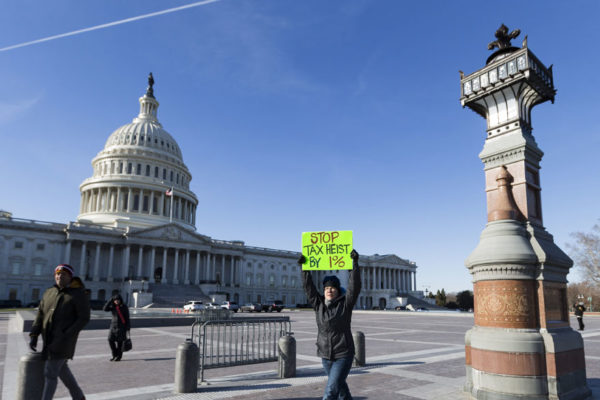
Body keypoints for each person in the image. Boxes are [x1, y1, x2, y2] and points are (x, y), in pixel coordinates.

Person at [298, 249, 361, 400]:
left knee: (330, 392)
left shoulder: (346, 304)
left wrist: (354, 265)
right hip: (325, 355)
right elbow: (309, 288)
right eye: (326, 288)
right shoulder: (318, 304)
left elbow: (355, 287)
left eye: (332, 288)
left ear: (338, 290)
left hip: (343, 354)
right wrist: (304, 269)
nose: (329, 290)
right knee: (341, 390)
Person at [29, 264, 90, 400]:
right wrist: (34, 334)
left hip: (63, 341)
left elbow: (84, 318)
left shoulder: (78, 294)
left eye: (63, 274)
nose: (59, 276)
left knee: (50, 373)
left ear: (70, 277)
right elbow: (40, 314)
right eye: (57, 274)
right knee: (63, 371)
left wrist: (67, 333)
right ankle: (79, 397)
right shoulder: (49, 292)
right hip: (48, 339)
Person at [103, 293, 130, 361]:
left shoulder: (124, 307)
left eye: (117, 300)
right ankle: (114, 355)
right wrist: (110, 300)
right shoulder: (113, 307)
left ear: (120, 300)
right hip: (113, 327)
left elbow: (127, 318)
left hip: (121, 327)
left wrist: (127, 328)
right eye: (115, 300)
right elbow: (104, 309)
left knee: (120, 343)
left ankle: (119, 356)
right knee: (110, 340)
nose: (116, 301)